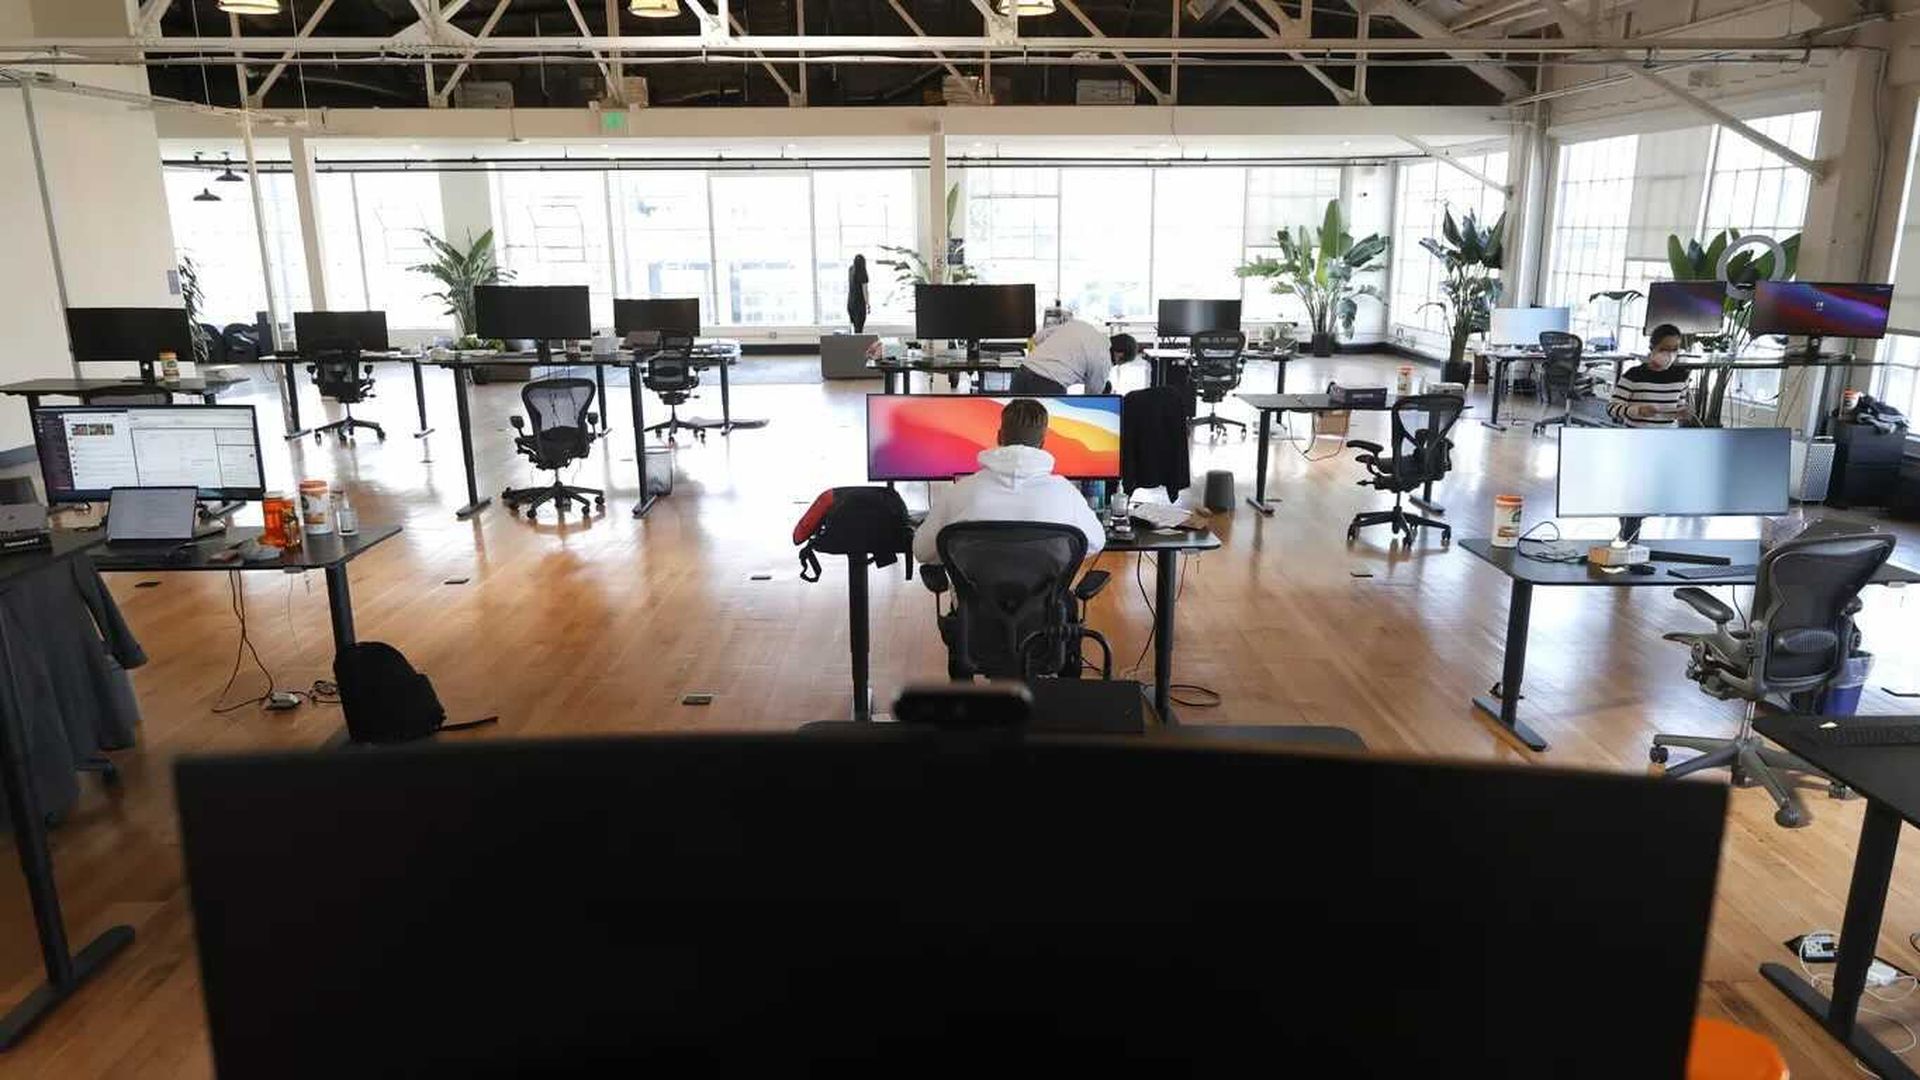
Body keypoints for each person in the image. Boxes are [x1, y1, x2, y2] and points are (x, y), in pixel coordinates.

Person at [911, 398, 1106, 566]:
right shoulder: (1065, 493)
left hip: (976, 607)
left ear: (999, 437)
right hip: (1045, 606)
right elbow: (1096, 541)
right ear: (1042, 444)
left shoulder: (959, 492)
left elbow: (922, 551)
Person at [1011, 317, 1138, 395]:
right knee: (1051, 433)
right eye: (1119, 363)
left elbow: (1038, 338)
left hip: (1021, 373)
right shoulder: (1104, 360)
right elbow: (1092, 397)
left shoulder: (1081, 326)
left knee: (1016, 423)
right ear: (1119, 355)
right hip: (1048, 386)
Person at [1606, 323, 1695, 428]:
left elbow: (1679, 407)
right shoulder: (1633, 375)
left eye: (1674, 349)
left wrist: (1683, 413)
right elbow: (1611, 409)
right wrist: (1638, 411)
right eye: (1664, 349)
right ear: (1652, 348)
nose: (1669, 355)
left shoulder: (1681, 377)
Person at [847, 254, 870, 334]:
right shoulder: (863, 272)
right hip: (859, 305)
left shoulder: (850, 270)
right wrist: (868, 304)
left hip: (850, 303)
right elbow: (865, 291)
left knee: (853, 328)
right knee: (859, 330)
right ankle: (857, 346)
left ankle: (852, 345)